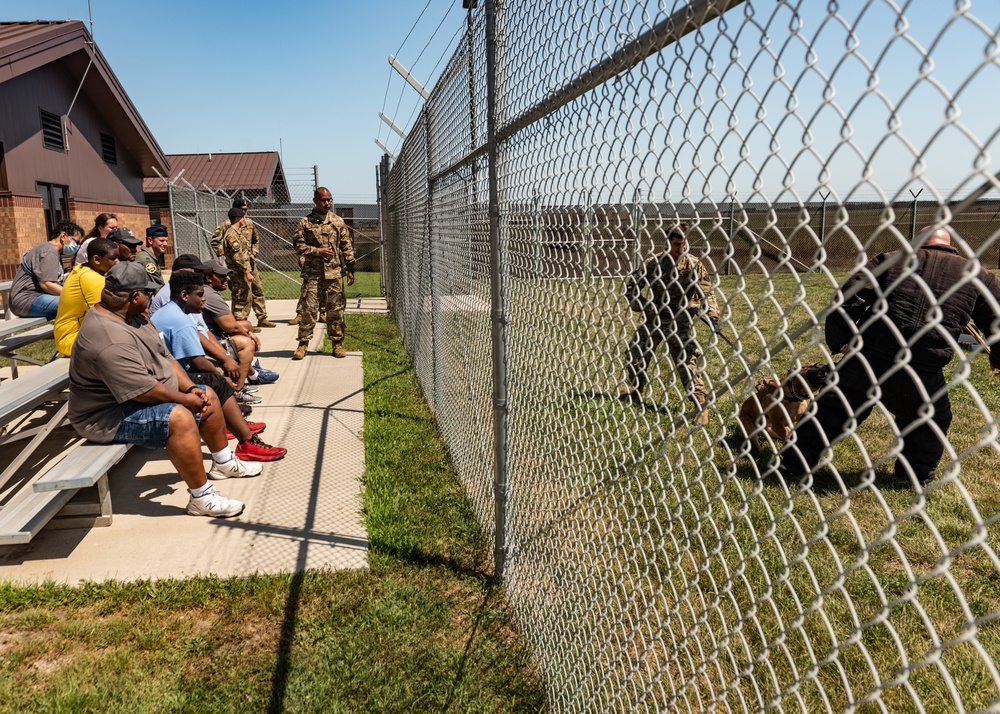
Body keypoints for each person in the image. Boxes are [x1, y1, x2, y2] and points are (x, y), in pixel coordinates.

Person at [782, 226, 1000, 486]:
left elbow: (849, 297)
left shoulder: (890, 260)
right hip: (923, 365)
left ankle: (793, 463)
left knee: (833, 410)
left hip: (870, 356)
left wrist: (843, 340)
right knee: (929, 420)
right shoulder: (978, 275)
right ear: (951, 246)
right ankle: (914, 476)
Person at [67, 261, 258, 518]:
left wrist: (190, 388)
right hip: (106, 416)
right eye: (148, 292)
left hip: (136, 397)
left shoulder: (133, 317)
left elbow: (165, 357)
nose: (153, 296)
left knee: (207, 394)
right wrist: (184, 399)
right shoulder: (108, 337)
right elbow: (141, 391)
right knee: (178, 416)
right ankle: (201, 497)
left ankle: (223, 463)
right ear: (134, 296)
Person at [150, 270, 286, 462]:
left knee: (216, 379)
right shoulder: (180, 320)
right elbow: (196, 361)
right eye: (199, 295)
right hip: (166, 380)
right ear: (184, 295)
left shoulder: (170, 312)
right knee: (216, 381)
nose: (204, 299)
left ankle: (237, 424)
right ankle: (246, 442)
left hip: (165, 374)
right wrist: (222, 378)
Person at [620, 224, 719, 425]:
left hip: (680, 320)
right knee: (634, 355)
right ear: (667, 243)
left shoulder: (694, 264)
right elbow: (632, 289)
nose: (681, 248)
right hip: (655, 318)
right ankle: (637, 390)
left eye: (684, 244)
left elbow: (707, 292)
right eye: (676, 244)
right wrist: (648, 306)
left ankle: (700, 405)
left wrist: (712, 314)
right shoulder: (652, 262)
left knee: (686, 362)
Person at [292, 187, 356, 359]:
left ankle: (337, 344)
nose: (327, 203)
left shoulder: (338, 221)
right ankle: (302, 345)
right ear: (315, 201)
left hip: (334, 274)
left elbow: (346, 246)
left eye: (329, 200)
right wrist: (316, 251)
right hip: (313, 274)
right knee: (309, 310)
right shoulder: (305, 222)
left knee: (335, 311)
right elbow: (298, 245)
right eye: (323, 200)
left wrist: (350, 268)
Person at [199, 259, 280, 386]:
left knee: (246, 325)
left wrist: (247, 331)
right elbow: (232, 328)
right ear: (209, 278)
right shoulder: (211, 295)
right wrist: (251, 336)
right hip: (208, 340)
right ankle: (241, 386)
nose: (226, 279)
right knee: (246, 342)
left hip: (210, 333)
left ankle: (252, 366)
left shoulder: (207, 291)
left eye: (225, 275)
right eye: (220, 276)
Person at [210, 201, 274, 329]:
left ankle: (262, 317)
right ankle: (242, 322)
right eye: (241, 210)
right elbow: (215, 241)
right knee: (241, 293)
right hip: (238, 265)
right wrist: (226, 254)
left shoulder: (249, 224)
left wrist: (254, 252)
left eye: (245, 209)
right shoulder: (227, 225)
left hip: (249, 262)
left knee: (257, 289)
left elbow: (256, 240)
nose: (244, 212)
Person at [54, 237, 120, 356]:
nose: (117, 262)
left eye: (117, 257)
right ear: (96, 259)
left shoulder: (85, 269)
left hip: (84, 336)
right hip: (71, 340)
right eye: (112, 258)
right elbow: (108, 317)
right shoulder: (91, 279)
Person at [9, 220, 84, 318]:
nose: (77, 246)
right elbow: (46, 284)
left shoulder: (52, 251)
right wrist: (74, 294)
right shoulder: (49, 251)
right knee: (81, 303)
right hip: (27, 300)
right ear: (63, 236)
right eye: (76, 241)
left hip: (34, 298)